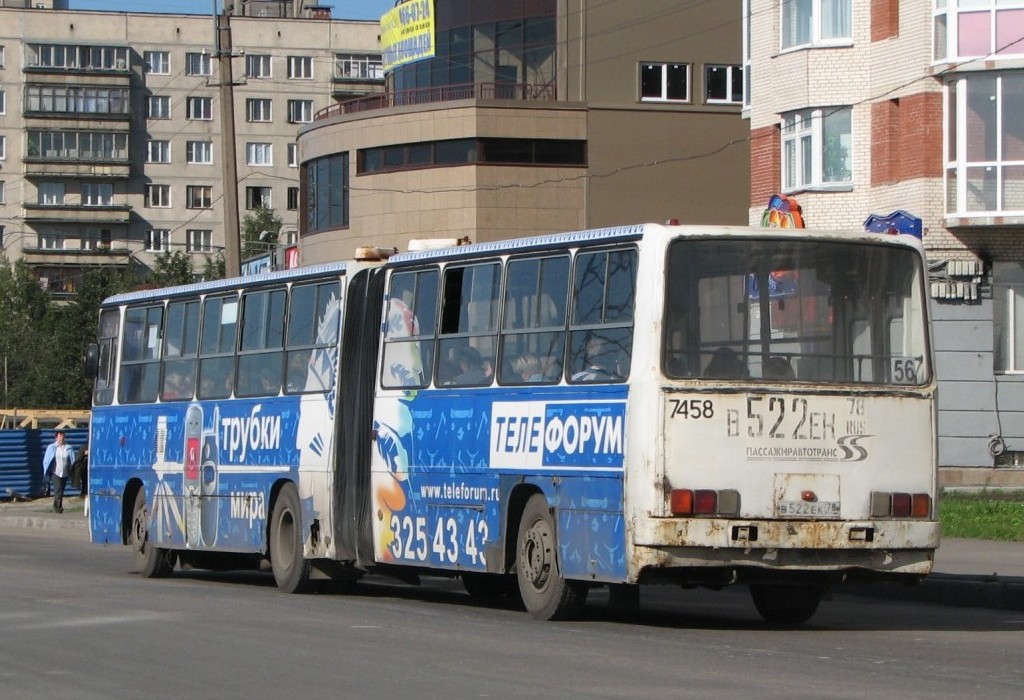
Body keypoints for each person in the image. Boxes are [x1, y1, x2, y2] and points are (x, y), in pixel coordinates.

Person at [41, 430, 77, 514]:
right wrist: (46, 471)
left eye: (62, 435)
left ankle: (57, 505)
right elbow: (46, 460)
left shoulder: (68, 447)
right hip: (55, 472)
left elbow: (72, 459)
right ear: (56, 437)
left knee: (61, 489)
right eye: (59, 436)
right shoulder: (51, 447)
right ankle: (58, 507)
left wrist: (73, 469)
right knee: (58, 489)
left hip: (64, 472)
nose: (61, 437)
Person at [70, 442, 89, 517]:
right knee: (86, 492)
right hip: (85, 475)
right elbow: (78, 459)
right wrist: (85, 454)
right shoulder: (84, 447)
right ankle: (86, 511)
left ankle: (87, 510)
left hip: (90, 474)